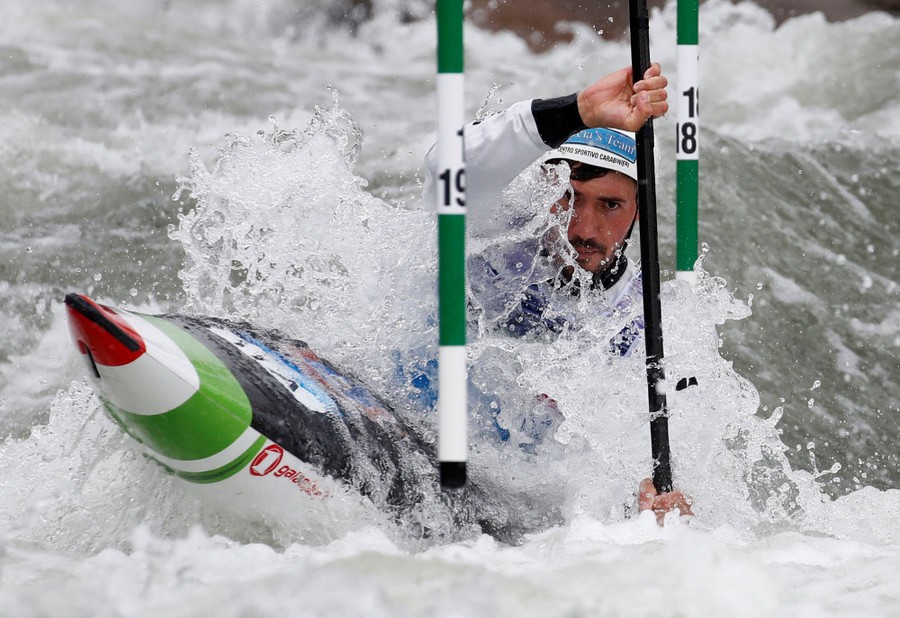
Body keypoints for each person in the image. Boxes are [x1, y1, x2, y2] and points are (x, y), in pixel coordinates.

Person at [419, 63, 692, 524]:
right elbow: (446, 164)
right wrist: (578, 110)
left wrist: (644, 496)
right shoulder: (491, 232)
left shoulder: (643, 324)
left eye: (610, 205)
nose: (582, 229)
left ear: (639, 214)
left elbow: (642, 444)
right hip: (407, 415)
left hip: (506, 485)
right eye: (570, 196)